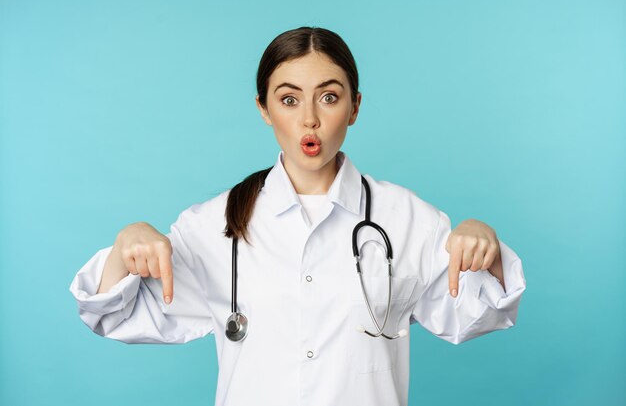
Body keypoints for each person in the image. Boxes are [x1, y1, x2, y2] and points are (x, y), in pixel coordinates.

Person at [69, 26, 526, 406]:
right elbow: (114, 315)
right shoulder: (211, 226)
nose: (309, 119)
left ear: (355, 107)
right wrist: (128, 244)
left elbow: (475, 314)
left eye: (328, 97)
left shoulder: (408, 219)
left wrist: (485, 246)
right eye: (289, 100)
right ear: (263, 109)